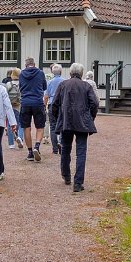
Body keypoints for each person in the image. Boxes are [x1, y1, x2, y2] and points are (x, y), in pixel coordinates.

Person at [52, 63, 98, 193]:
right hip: (82, 122)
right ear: (81, 73)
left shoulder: (63, 85)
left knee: (66, 149)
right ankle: (78, 183)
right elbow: (94, 103)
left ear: (70, 73)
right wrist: (91, 117)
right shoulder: (86, 86)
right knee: (81, 152)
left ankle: (66, 176)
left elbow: (54, 104)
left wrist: (58, 118)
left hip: (66, 121)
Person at [19, 57, 47, 162]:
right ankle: (37, 146)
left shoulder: (21, 74)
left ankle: (30, 152)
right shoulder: (40, 73)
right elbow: (44, 87)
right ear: (34, 64)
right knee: (40, 126)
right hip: (38, 102)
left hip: (25, 102)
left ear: (26, 65)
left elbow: (20, 87)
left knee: (26, 127)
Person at [44, 64, 64, 154]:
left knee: (52, 126)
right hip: (62, 105)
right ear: (61, 72)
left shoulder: (49, 82)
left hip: (52, 104)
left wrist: (45, 106)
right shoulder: (64, 82)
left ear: (52, 72)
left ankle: (55, 148)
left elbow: (46, 96)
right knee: (63, 125)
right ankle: (61, 143)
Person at [5, 68, 24, 149]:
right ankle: (19, 137)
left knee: (10, 124)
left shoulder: (8, 84)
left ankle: (11, 144)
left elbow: (5, 95)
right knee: (21, 123)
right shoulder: (22, 84)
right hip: (19, 106)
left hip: (10, 106)